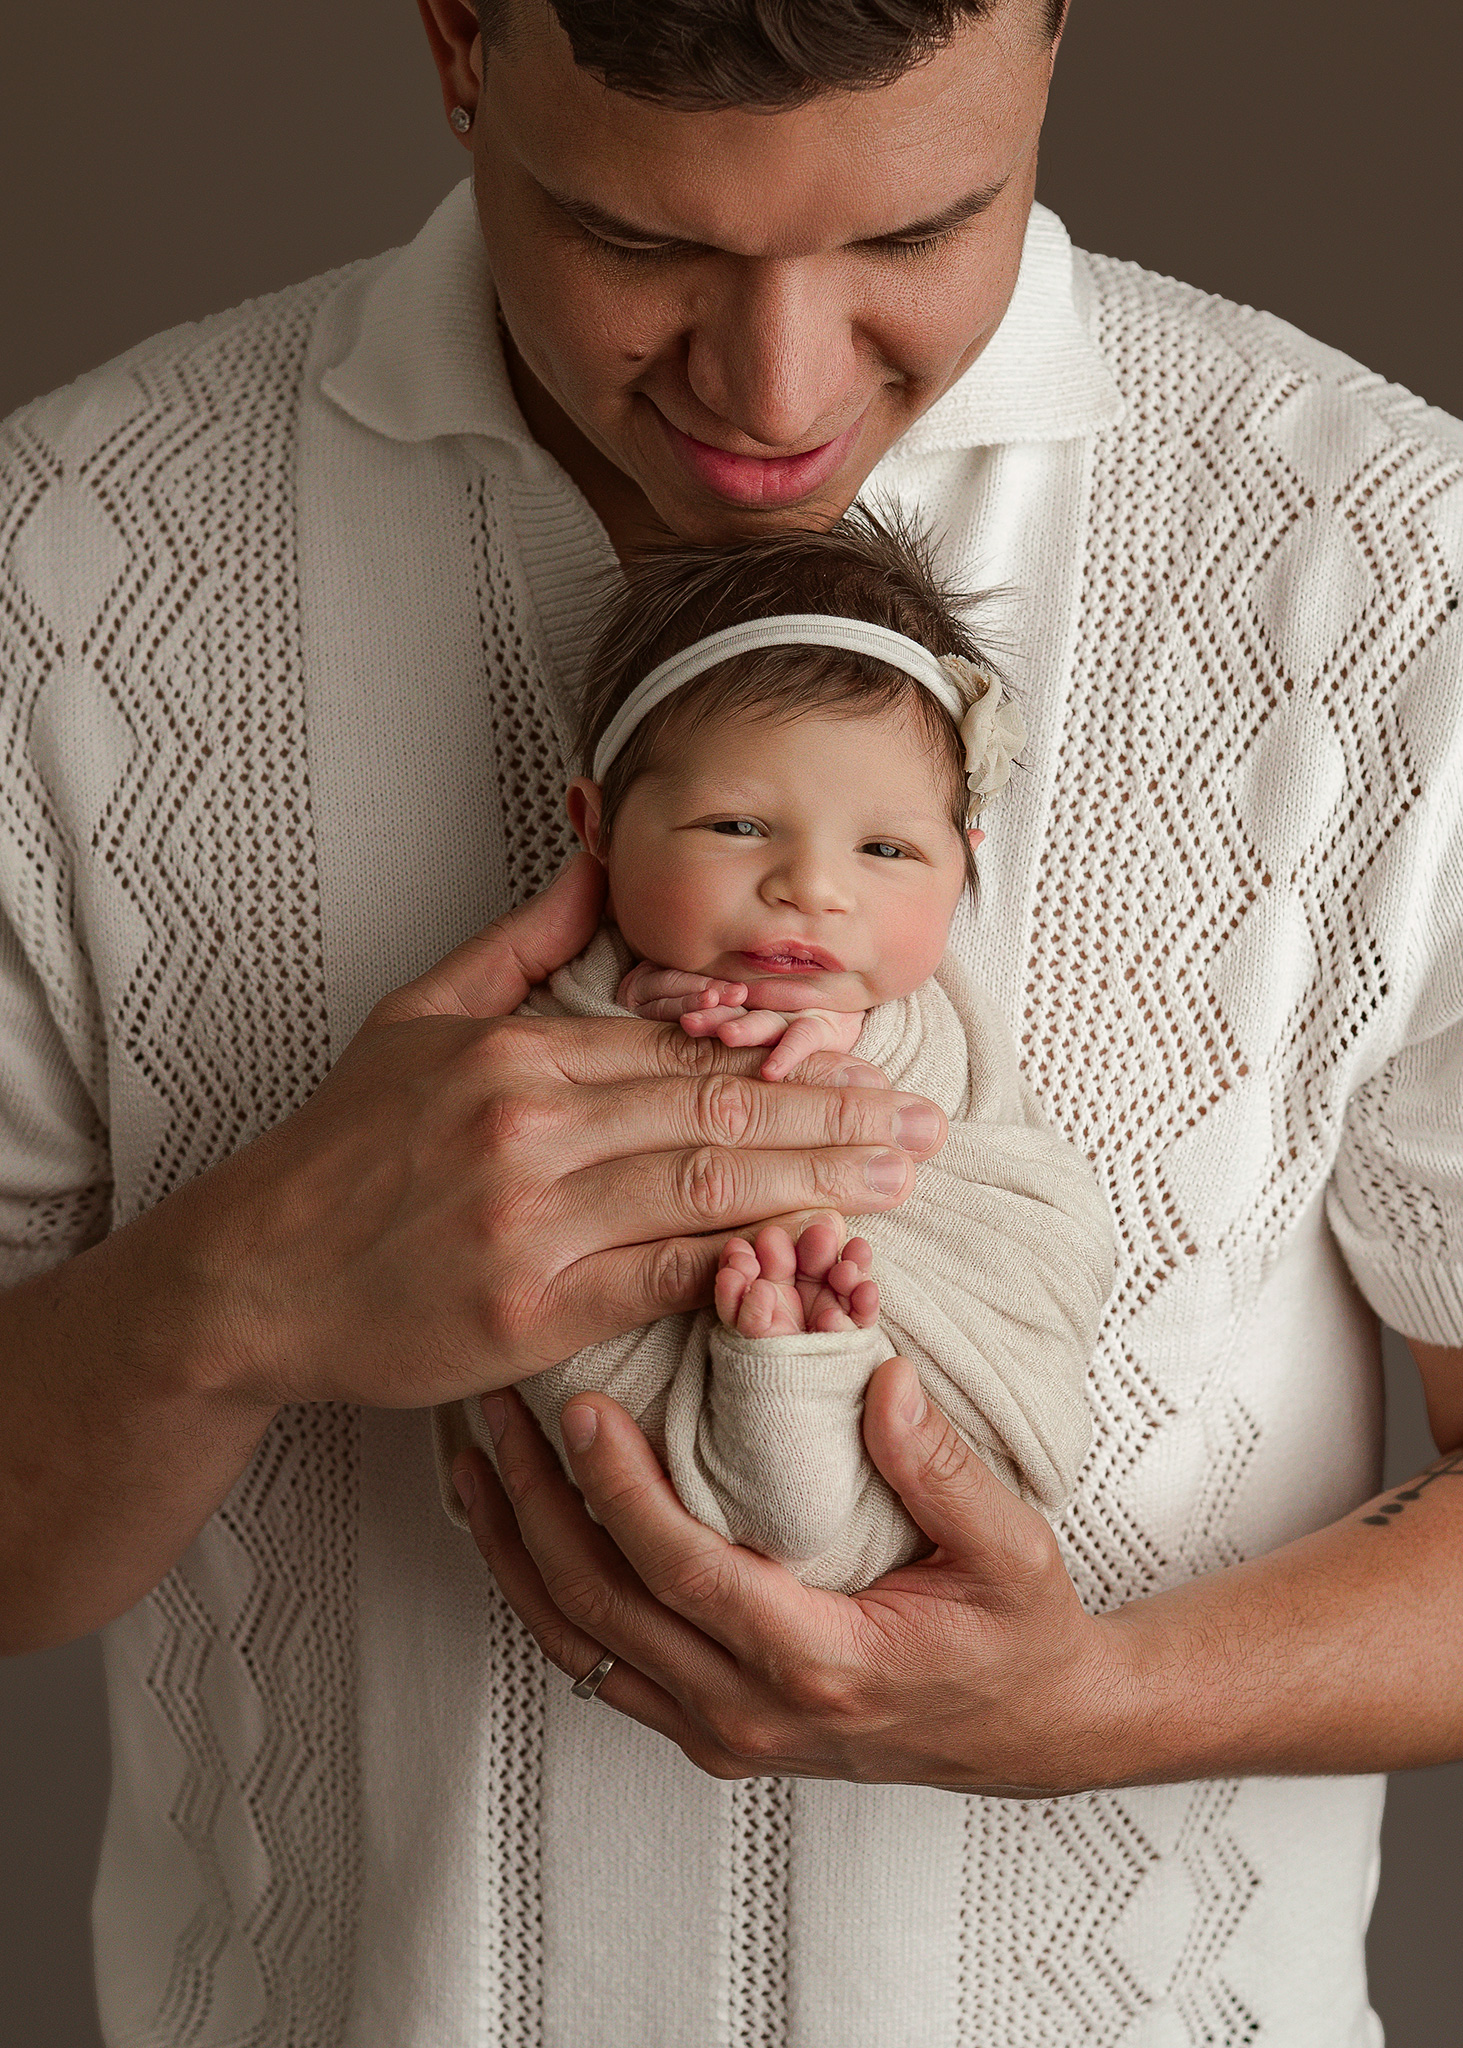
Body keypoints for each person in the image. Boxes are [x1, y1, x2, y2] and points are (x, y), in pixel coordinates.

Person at [0, 0, 1460, 2042]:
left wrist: (1092, 1705)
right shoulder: (58, 569)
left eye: (909, 232)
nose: (771, 387)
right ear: (455, 43)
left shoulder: (1398, 575)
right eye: (636, 238)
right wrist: (231, 1288)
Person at [434, 510, 1115, 1592]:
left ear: (962, 861)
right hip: (658, 1382)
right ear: (598, 824)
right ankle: (784, 1374)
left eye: (884, 847)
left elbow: (1035, 1213)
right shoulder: (554, 1013)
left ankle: (796, 1364)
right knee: (592, 1364)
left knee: (1049, 1235)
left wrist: (851, 1068)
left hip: (940, 1359)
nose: (811, 885)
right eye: (737, 826)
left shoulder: (937, 1019)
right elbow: (512, 1169)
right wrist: (635, 1034)